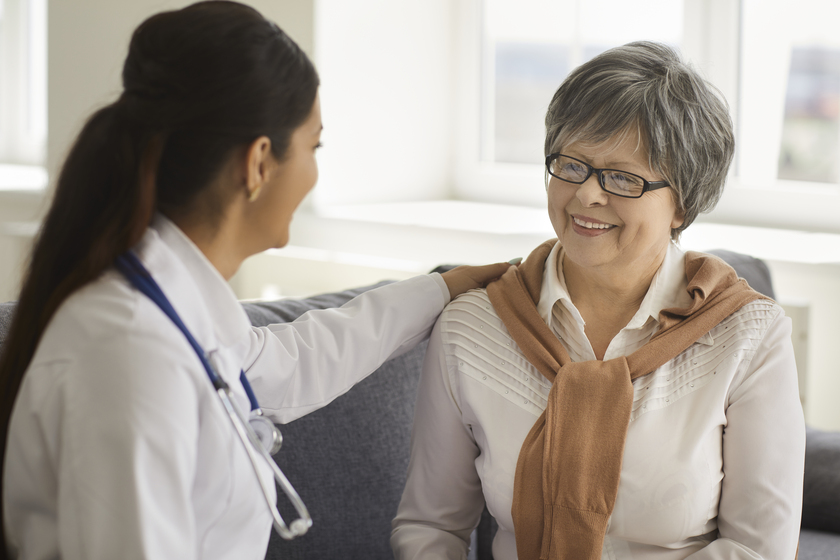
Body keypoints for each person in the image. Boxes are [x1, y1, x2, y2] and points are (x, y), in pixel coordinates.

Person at [0, 2, 511, 559]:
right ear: (259, 163)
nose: (316, 172)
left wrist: (441, 287)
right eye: (315, 146)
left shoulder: (178, 311)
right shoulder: (128, 354)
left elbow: (292, 360)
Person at [392, 42, 805, 559]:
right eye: (571, 166)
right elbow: (432, 527)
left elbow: (757, 549)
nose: (587, 194)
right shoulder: (473, 327)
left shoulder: (748, 336)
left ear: (684, 204)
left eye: (623, 178)